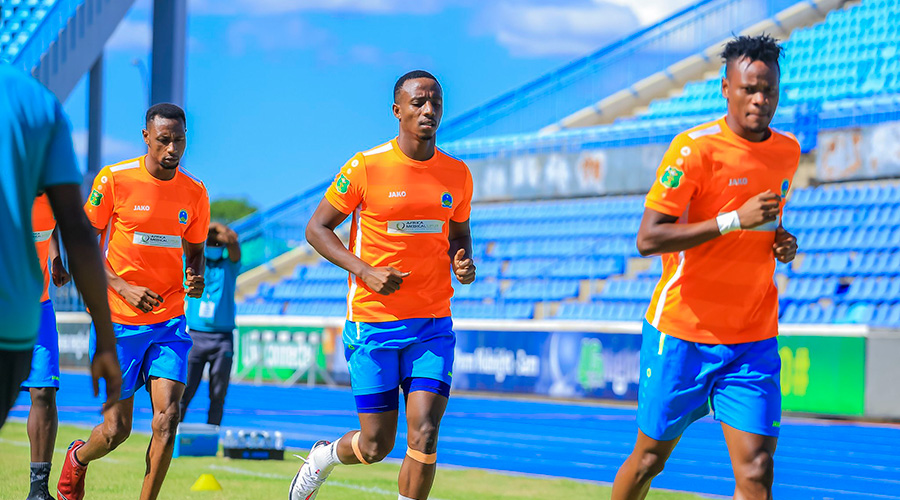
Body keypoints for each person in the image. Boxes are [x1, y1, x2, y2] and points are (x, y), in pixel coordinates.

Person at [611, 34, 800, 500]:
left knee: (757, 469)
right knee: (649, 460)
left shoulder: (788, 151)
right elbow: (648, 238)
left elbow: (765, 220)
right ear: (725, 88)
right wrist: (735, 220)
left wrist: (780, 240)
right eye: (749, 89)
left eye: (769, 90)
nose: (760, 100)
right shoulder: (693, 150)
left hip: (752, 336)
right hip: (683, 333)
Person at [291, 70, 475, 500]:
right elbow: (317, 229)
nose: (428, 110)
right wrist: (365, 271)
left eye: (435, 102)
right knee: (376, 445)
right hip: (373, 323)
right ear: (397, 110)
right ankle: (323, 457)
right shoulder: (366, 167)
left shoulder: (457, 174)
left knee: (425, 432)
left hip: (432, 324)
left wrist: (462, 260)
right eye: (418, 102)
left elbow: (459, 233)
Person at [56, 103, 210, 500]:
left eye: (179, 140)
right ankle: (78, 458)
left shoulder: (195, 192)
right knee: (116, 431)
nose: (172, 149)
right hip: (117, 322)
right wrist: (122, 287)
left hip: (170, 321)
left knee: (168, 418)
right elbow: (81, 245)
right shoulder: (115, 179)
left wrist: (196, 276)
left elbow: (195, 251)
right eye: (163, 140)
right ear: (146, 137)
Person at [0, 65, 121, 431]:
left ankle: (40, 472)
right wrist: (105, 336)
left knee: (44, 394)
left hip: (26, 312)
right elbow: (76, 229)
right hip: (14, 318)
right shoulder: (36, 103)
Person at [21, 195, 70, 500]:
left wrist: (55, 259)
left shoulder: (54, 192)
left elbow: (49, 227)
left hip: (39, 307)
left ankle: (38, 491)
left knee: (44, 392)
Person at [180, 222, 241, 426]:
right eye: (211, 243)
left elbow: (233, 242)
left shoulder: (229, 266)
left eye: (218, 244)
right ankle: (172, 435)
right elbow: (189, 239)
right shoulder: (193, 264)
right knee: (184, 390)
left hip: (223, 338)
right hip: (196, 336)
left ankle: (212, 434)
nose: (215, 247)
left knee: (218, 393)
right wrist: (209, 227)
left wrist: (220, 230)